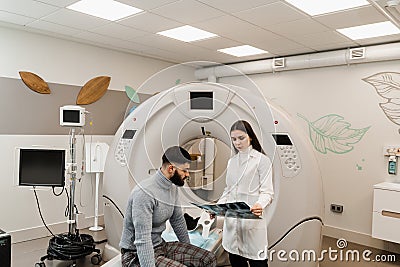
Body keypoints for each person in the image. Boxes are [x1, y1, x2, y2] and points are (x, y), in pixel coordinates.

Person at [120, 146, 217, 267]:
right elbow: (142, 240)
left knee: (209, 258)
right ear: (171, 168)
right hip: (135, 255)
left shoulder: (172, 188)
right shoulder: (144, 193)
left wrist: (188, 249)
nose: (187, 174)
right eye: (185, 170)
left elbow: (178, 221)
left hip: (160, 246)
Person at [218, 120, 274, 267]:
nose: (237, 142)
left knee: (258, 263)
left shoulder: (262, 160)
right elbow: (228, 190)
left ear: (250, 137)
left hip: (251, 220)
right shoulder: (232, 162)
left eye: (241, 138)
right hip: (232, 222)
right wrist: (217, 208)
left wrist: (259, 205)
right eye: (234, 139)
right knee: (236, 261)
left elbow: (267, 192)